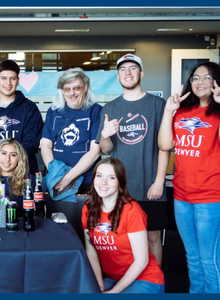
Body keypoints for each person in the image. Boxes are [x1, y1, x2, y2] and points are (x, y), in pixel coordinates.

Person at [158, 62, 220, 293]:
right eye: (195, 78)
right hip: (183, 196)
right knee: (193, 259)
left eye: (207, 77)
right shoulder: (183, 111)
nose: (200, 82)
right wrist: (168, 111)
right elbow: (165, 144)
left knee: (210, 260)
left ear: (217, 82)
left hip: (215, 197)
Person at [97, 54, 169, 266]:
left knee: (152, 237)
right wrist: (105, 134)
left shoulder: (158, 104)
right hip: (121, 187)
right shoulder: (109, 108)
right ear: (118, 77)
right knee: (124, 237)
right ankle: (130, 280)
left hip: (150, 185)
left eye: (132, 69)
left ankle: (154, 281)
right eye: (123, 70)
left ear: (141, 74)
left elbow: (164, 146)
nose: (128, 73)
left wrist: (159, 181)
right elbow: (106, 149)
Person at [82, 158, 165, 293]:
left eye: (111, 178)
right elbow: (91, 252)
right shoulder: (88, 208)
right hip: (113, 278)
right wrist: (99, 287)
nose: (103, 182)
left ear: (120, 182)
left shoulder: (132, 210)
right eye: (99, 176)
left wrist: (112, 293)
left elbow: (141, 261)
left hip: (145, 278)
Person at [0, 59, 42, 180]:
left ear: (18, 81)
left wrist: (11, 165)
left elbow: (31, 143)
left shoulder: (29, 108)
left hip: (23, 177)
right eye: (3, 78)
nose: (8, 83)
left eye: (13, 78)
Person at [41, 67, 102, 195]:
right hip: (56, 182)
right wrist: (55, 175)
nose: (72, 92)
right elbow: (46, 145)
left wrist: (67, 179)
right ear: (62, 91)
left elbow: (95, 152)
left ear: (85, 87)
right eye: (67, 88)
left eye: (77, 88)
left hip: (86, 182)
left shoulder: (96, 111)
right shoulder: (53, 111)